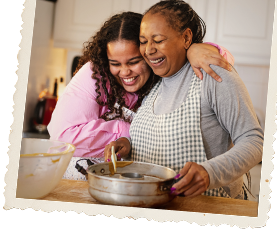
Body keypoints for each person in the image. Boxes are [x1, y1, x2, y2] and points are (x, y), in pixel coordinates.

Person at [104, 0, 264, 200]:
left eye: (158, 40)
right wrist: (128, 144)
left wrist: (209, 172)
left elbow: (254, 140)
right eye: (144, 41)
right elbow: (159, 139)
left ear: (186, 38)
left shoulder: (210, 74)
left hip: (212, 207)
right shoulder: (154, 83)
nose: (149, 50)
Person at [47, 11, 234, 180]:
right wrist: (131, 131)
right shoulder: (96, 73)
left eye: (133, 61)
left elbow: (224, 62)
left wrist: (196, 49)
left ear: (148, 53)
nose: (124, 72)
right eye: (116, 63)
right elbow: (63, 138)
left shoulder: (164, 73)